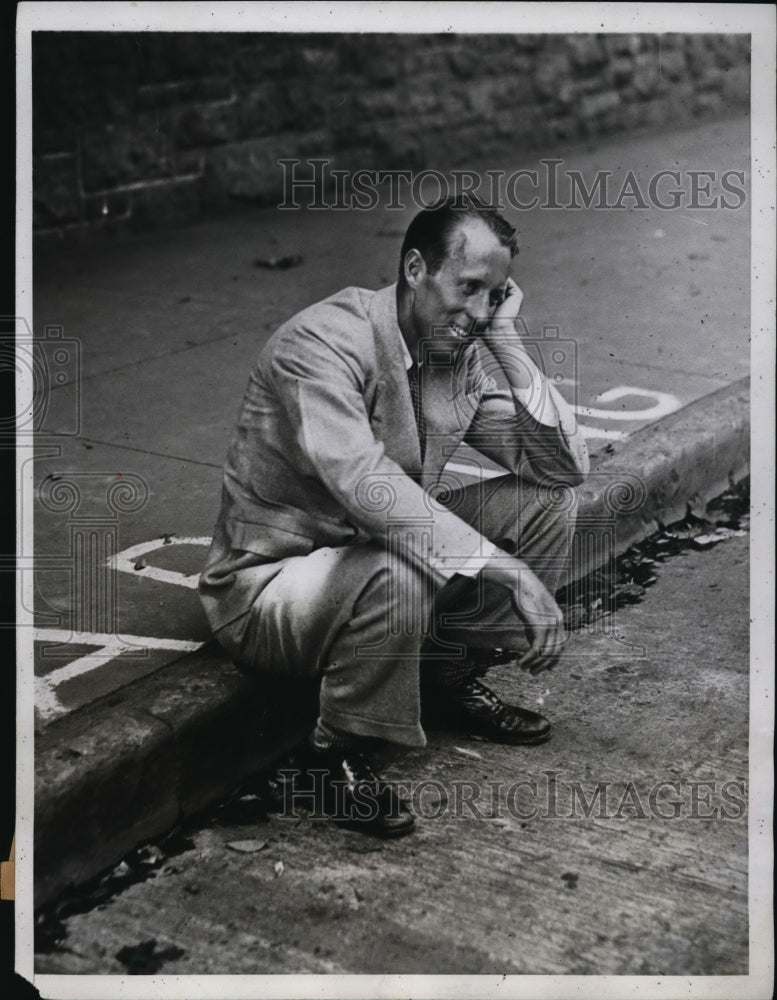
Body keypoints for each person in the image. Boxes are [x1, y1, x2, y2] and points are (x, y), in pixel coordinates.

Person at [199, 196, 589, 837]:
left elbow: (563, 466)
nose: (477, 311)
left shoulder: (455, 352)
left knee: (547, 505)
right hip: (269, 588)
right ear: (415, 269)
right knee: (396, 569)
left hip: (376, 566)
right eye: (467, 288)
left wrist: (508, 341)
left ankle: (448, 674)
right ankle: (331, 757)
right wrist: (508, 572)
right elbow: (367, 487)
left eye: (493, 296)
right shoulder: (322, 341)